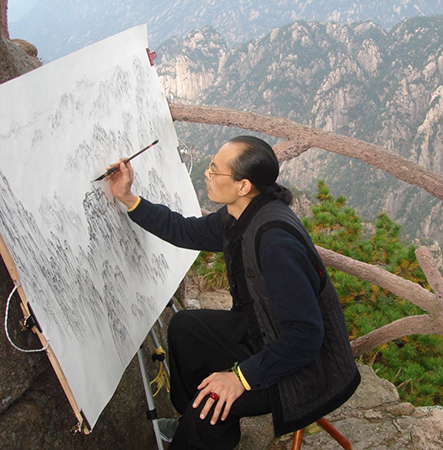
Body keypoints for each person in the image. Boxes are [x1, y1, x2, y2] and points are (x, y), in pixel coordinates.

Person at [106, 135, 360, 449]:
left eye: (214, 171)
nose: (207, 175)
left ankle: (199, 427)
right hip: (264, 330)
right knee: (185, 329)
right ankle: (198, 428)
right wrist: (128, 198)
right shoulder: (239, 214)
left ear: (243, 185)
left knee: (209, 402)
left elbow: (306, 337)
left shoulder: (274, 244)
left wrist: (240, 378)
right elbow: (185, 231)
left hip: (304, 368)